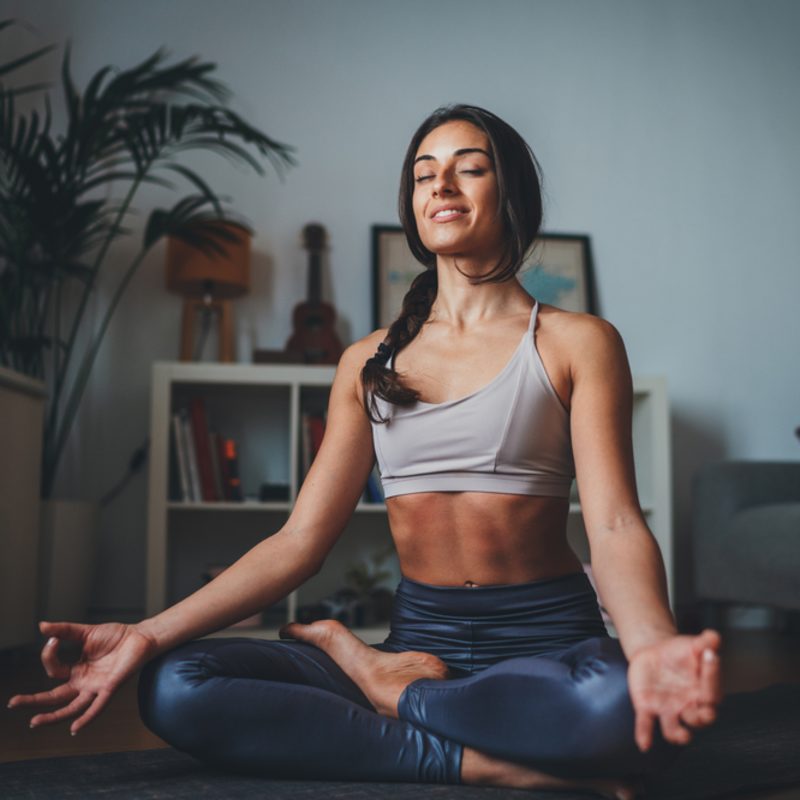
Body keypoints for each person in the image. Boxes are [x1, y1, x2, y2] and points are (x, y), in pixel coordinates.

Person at [7, 104, 723, 799]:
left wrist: (652, 647)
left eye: (469, 168)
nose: (441, 185)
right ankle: (484, 760)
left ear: (513, 195)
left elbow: (616, 524)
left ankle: (394, 696)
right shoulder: (366, 362)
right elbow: (298, 544)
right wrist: (145, 633)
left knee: (627, 709)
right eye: (424, 174)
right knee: (175, 684)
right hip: (418, 643)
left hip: (545, 644)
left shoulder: (577, 342)